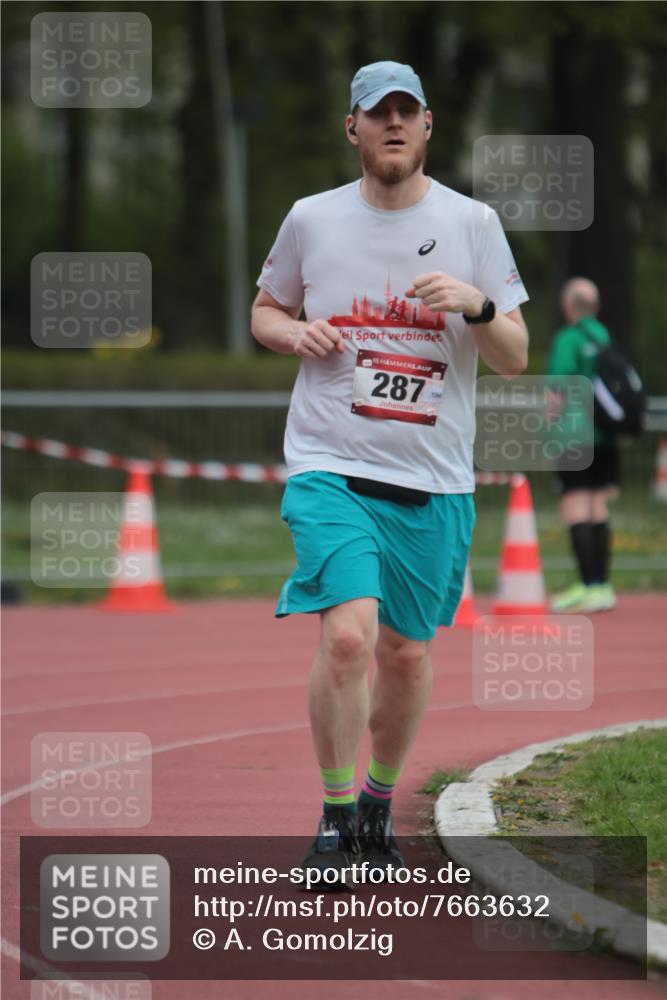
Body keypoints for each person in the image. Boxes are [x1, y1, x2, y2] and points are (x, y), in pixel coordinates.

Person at [251, 61, 529, 883]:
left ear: (429, 126)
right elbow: (264, 309)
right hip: (330, 464)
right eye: (378, 114)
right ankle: (336, 822)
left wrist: (475, 305)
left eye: (407, 113)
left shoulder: (472, 221)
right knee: (347, 638)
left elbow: (512, 358)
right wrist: (292, 334)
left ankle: (376, 804)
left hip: (434, 479)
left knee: (405, 655)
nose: (393, 126)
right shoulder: (311, 219)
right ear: (354, 128)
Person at [548, 278, 618, 613]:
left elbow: (557, 389)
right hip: (604, 432)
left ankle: (587, 585)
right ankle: (603, 585)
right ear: (598, 307)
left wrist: (547, 428)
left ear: (568, 306)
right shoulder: (604, 336)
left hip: (573, 431)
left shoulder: (569, 338)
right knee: (598, 506)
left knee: (575, 506)